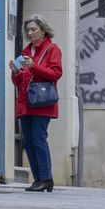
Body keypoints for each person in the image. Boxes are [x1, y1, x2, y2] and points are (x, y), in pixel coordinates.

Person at [11, 16, 62, 193]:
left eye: (34, 29)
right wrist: (16, 72)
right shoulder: (26, 51)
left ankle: (46, 178)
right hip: (26, 103)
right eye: (28, 30)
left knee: (38, 139)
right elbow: (18, 83)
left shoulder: (52, 49)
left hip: (42, 103)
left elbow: (55, 74)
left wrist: (34, 67)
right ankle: (38, 178)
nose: (30, 33)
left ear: (43, 30)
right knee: (28, 141)